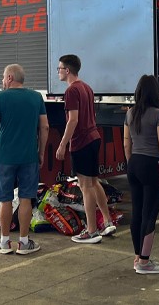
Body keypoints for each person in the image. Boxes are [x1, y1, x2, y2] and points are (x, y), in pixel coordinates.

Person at [0, 64, 49, 255]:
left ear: (10, 78)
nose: (2, 81)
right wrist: (41, 152)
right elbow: (44, 127)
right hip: (29, 157)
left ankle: (4, 243)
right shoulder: (36, 97)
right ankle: (24, 243)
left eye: (3, 77)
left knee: (5, 199)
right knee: (26, 199)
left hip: (5, 157)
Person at [54, 55, 116, 243]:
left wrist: (63, 144)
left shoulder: (72, 91)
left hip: (81, 141)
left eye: (59, 68)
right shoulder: (87, 87)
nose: (58, 72)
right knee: (94, 182)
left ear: (67, 70)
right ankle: (107, 222)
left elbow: (73, 120)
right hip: (93, 138)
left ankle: (91, 231)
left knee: (85, 186)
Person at [124, 75, 159, 274]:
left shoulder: (130, 113)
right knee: (149, 214)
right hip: (153, 165)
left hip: (134, 163)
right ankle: (144, 262)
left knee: (137, 212)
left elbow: (126, 143)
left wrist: (131, 163)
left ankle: (138, 256)